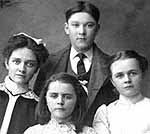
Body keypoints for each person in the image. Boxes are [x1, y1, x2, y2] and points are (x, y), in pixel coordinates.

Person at [33, 0, 118, 126]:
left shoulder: (112, 65)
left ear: (97, 29)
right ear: (67, 28)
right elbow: (39, 106)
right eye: (75, 25)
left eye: (89, 25)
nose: (82, 32)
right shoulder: (50, 63)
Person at [0, 33, 49, 134]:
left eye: (30, 64)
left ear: (36, 69)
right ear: (6, 63)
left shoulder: (38, 107)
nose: (22, 69)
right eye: (16, 62)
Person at [93, 50, 150, 134]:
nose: (127, 80)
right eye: (119, 76)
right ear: (112, 81)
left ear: (142, 75)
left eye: (132, 73)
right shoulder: (105, 113)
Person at [24, 72, 96, 134]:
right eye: (54, 96)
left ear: (77, 100)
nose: (60, 102)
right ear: (45, 98)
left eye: (67, 97)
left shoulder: (89, 132)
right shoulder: (33, 132)